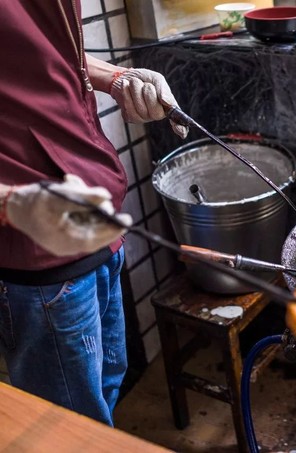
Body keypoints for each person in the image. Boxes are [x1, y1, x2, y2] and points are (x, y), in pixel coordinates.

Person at [0, 1, 187, 426]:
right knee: (70, 426)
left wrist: (117, 78)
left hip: (97, 240)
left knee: (104, 388)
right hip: (38, 268)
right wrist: (13, 204)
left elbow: (37, 52)